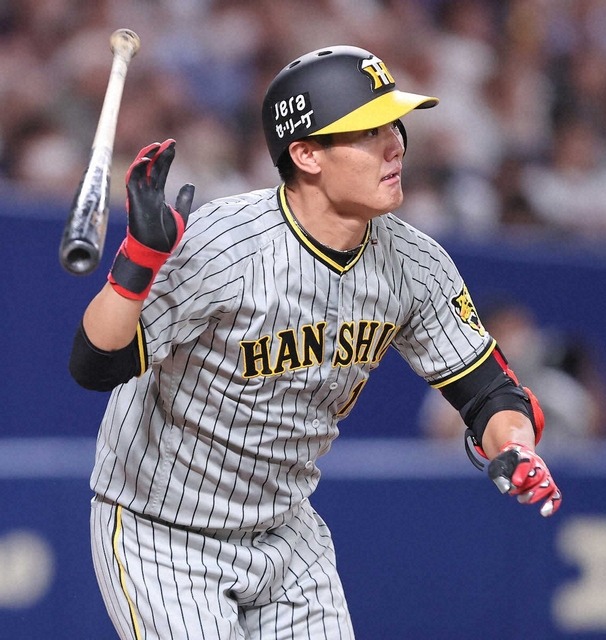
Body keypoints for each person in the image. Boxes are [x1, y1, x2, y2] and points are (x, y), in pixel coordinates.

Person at [69, 45, 562, 640]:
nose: (395, 145)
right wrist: (136, 264)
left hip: (287, 530)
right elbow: (96, 364)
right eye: (368, 131)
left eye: (395, 125)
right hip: (163, 530)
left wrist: (516, 445)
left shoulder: (417, 263)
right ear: (305, 154)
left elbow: (487, 391)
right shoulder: (226, 245)